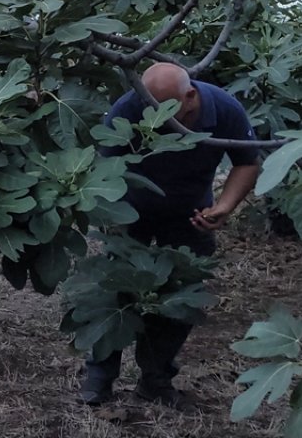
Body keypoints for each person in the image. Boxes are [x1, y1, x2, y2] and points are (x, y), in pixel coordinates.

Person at [80, 62, 260, 409]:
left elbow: (247, 161)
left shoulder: (224, 109)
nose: (157, 117)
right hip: (129, 214)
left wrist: (225, 206)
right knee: (114, 292)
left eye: (167, 109)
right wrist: (108, 216)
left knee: (181, 297)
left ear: (190, 96)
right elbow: (105, 168)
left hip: (190, 216)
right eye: (150, 108)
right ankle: (99, 376)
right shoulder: (127, 108)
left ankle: (156, 380)